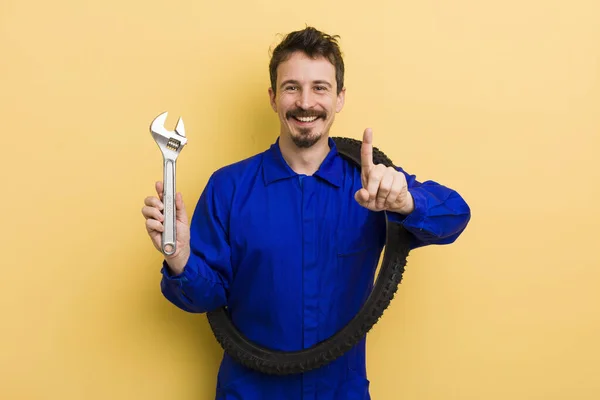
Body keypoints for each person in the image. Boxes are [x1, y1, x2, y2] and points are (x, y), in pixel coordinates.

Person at [142, 26, 471, 400]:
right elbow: (206, 298)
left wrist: (407, 202)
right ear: (273, 97)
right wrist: (180, 258)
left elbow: (455, 216)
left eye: (320, 87)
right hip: (248, 391)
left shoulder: (374, 185)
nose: (305, 102)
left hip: (341, 391)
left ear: (340, 98)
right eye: (292, 87)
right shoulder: (228, 187)